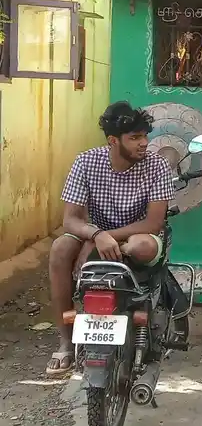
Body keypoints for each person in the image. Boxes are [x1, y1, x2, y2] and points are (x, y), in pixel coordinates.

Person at [47, 102, 174, 377]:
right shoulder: (86, 161)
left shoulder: (158, 165)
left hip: (137, 236)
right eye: (135, 138)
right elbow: (70, 220)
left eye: (144, 136)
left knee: (142, 245)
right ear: (113, 141)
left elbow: (154, 223)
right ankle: (66, 340)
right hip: (95, 234)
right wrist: (95, 234)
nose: (144, 143)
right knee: (60, 248)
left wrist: (102, 239)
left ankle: (138, 313)